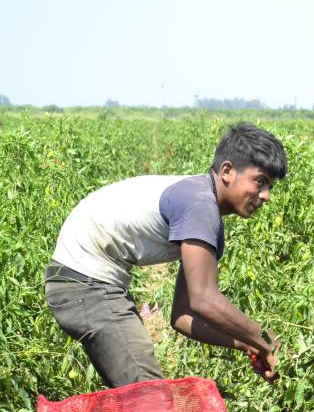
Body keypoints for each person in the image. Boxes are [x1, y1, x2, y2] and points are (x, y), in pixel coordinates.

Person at [44, 123, 287, 388]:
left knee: (139, 397)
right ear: (227, 171)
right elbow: (205, 299)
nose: (266, 196)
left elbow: (182, 316)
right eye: (260, 181)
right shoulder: (199, 205)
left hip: (89, 282)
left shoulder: (205, 212)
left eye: (270, 187)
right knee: (148, 401)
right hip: (84, 284)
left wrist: (248, 343)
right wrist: (265, 342)